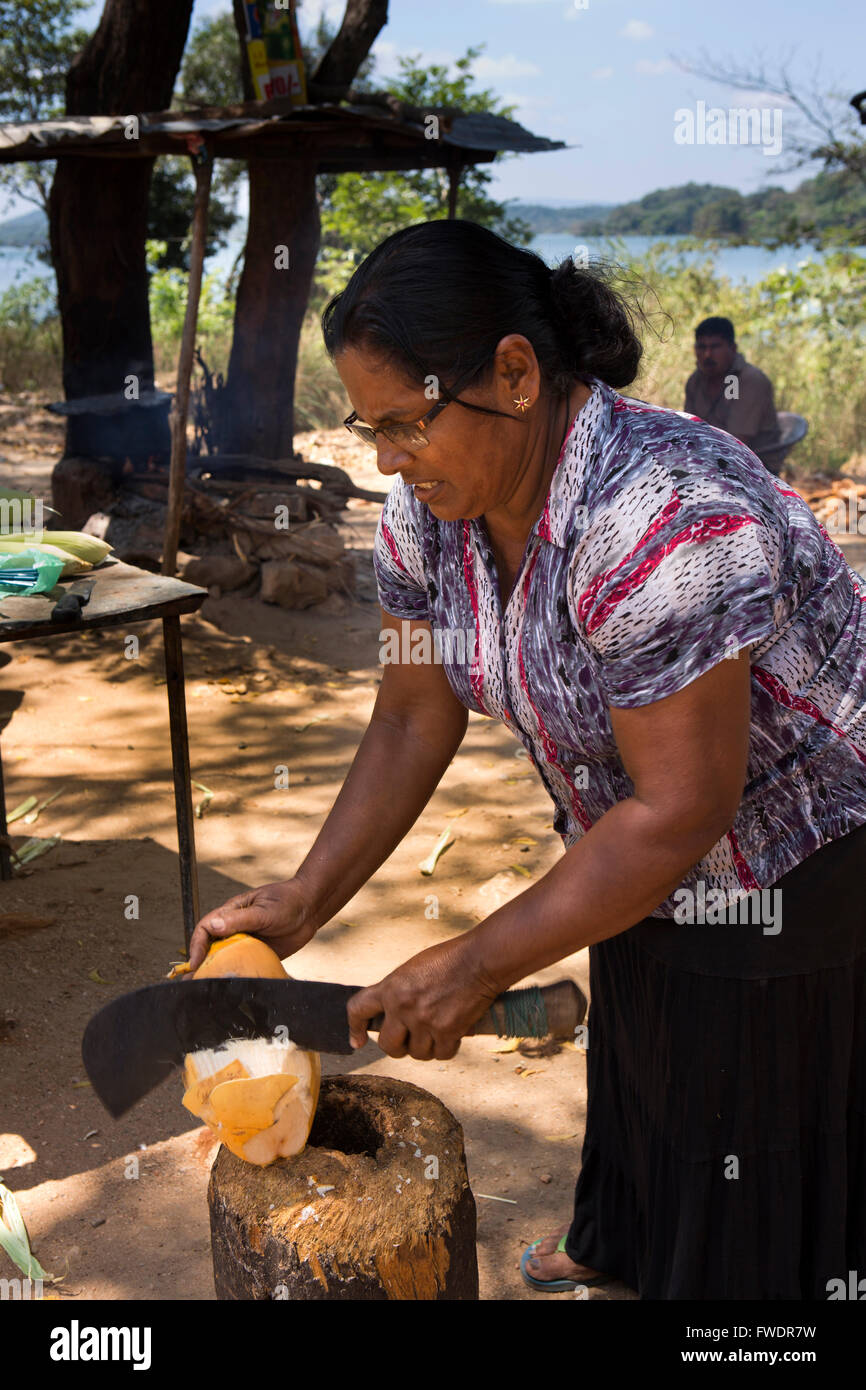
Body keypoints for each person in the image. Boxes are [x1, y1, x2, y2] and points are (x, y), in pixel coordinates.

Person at [189, 222, 866, 1301]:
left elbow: (682, 811)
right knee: (643, 1032)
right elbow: (415, 711)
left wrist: (471, 965)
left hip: (793, 858)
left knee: (744, 1125)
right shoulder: (427, 511)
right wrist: (306, 897)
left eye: (406, 423)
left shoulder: (660, 513)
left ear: (513, 372)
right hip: (627, 839)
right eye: (371, 431)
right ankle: (627, 1243)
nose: (387, 460)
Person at [684, 315, 781, 464]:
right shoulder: (695, 381)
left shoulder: (747, 380)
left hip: (755, 467)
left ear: (732, 348)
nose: (707, 354)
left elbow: (737, 442)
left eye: (715, 347)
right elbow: (689, 431)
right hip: (711, 461)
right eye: (702, 347)